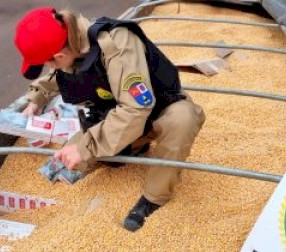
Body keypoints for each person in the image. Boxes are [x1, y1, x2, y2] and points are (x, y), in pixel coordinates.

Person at [14, 7, 205, 231]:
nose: (50, 67)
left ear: (59, 56)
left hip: (154, 114)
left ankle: (154, 197)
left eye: (49, 62)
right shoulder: (74, 42)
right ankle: (133, 148)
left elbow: (135, 110)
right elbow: (60, 75)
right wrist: (36, 99)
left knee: (183, 118)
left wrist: (85, 147)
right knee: (74, 163)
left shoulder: (116, 45)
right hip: (114, 115)